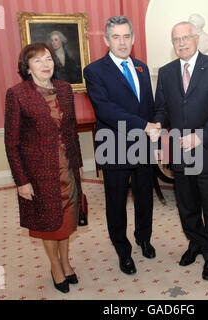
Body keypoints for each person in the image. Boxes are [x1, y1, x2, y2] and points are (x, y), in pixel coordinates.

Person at [152, 21, 208, 280]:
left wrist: (200, 137)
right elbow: (162, 109)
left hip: (207, 150)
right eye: (176, 39)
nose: (181, 43)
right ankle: (196, 242)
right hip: (178, 152)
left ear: (197, 38)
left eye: (186, 37)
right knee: (186, 206)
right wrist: (157, 126)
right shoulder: (165, 72)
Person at [5, 43, 85, 293]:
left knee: (67, 221)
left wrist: (78, 166)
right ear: (27, 68)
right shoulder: (17, 94)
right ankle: (55, 267)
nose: (45, 64)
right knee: (49, 224)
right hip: (39, 173)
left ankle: (66, 262)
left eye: (48, 59)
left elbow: (71, 131)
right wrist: (21, 181)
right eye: (37, 61)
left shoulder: (64, 89)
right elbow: (11, 142)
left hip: (67, 168)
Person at [83, 16, 158, 275]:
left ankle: (143, 238)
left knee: (145, 197)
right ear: (106, 40)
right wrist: (144, 125)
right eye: (116, 36)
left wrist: (155, 128)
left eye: (126, 36)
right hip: (113, 145)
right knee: (116, 203)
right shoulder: (94, 71)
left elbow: (148, 105)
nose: (122, 41)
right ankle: (123, 251)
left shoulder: (141, 67)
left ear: (133, 39)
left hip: (144, 145)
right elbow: (106, 110)